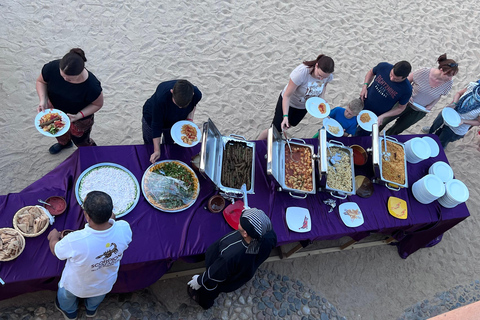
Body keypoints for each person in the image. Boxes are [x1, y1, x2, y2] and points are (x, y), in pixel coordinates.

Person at [47, 191, 132, 320]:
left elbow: (56, 251)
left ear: (87, 216)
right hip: (104, 283)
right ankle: (91, 311)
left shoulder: (75, 240)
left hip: (75, 285)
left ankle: (70, 313)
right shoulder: (124, 228)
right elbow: (113, 223)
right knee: (96, 298)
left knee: (66, 298)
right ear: (111, 212)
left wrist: (53, 237)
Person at [187, 208, 277, 309]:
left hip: (226, 276)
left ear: (245, 233)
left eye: (240, 223)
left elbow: (217, 272)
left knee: (210, 288)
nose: (238, 224)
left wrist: (200, 280)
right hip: (244, 271)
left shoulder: (231, 255)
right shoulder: (268, 235)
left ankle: (205, 302)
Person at [36, 48, 103, 154]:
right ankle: (65, 143)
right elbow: (41, 81)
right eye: (62, 76)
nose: (65, 80)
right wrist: (43, 100)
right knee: (58, 131)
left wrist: (78, 116)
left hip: (79, 117)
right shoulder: (52, 67)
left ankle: (88, 151)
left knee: (80, 139)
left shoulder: (92, 86)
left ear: (81, 72)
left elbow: (97, 104)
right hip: (55, 110)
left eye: (70, 79)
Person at [257, 54, 335, 140]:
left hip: (304, 106)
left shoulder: (327, 76)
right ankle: (257, 143)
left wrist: (322, 100)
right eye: (319, 75)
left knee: (289, 125)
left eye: (324, 77)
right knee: (274, 129)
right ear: (316, 65)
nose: (321, 79)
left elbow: (323, 87)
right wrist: (285, 116)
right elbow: (287, 95)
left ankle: (278, 135)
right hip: (289, 103)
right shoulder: (301, 73)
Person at [382, 54, 458, 135]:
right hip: (404, 103)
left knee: (396, 130)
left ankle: (383, 142)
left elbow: (439, 95)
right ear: (441, 70)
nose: (450, 78)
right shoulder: (423, 72)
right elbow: (406, 82)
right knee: (384, 120)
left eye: (452, 76)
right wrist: (408, 96)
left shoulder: (448, 83)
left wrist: (432, 105)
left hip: (419, 111)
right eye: (449, 75)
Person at [142, 79, 202, 163]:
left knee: (169, 143)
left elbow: (193, 106)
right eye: (177, 104)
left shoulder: (197, 94)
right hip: (151, 117)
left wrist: (189, 121)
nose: (180, 108)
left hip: (174, 122)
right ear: (171, 91)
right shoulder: (161, 97)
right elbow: (156, 125)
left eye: (183, 106)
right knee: (150, 144)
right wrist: (157, 151)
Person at [356, 60, 412, 136]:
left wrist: (383, 116)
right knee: (349, 121)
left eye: (396, 79)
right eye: (391, 75)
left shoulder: (407, 90)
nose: (391, 79)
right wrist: (365, 86)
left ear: (405, 77)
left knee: (360, 134)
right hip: (363, 101)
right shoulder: (383, 66)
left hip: (376, 115)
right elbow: (371, 72)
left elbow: (400, 108)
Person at [422, 80, 480, 148]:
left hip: (458, 125)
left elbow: (478, 122)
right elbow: (459, 93)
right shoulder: (473, 86)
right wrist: (454, 103)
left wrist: (463, 121)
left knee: (441, 142)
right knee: (436, 123)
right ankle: (431, 131)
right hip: (449, 113)